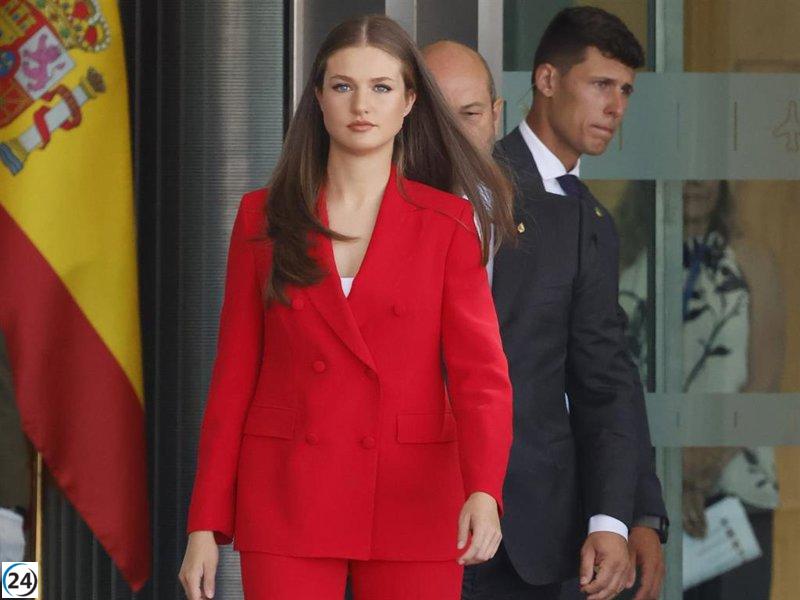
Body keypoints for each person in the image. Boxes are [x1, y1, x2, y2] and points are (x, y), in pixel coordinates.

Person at [179, 14, 516, 600]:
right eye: (343, 86)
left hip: (415, 494)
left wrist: (485, 490)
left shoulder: (447, 223)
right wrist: (204, 522)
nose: (362, 104)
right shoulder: (263, 218)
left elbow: (480, 379)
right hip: (288, 494)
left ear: (409, 101)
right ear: (318, 97)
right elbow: (233, 377)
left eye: (381, 87)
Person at [423, 7, 668, 600]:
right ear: (547, 80)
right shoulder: (461, 179)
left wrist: (634, 512)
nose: (615, 107)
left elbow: (604, 376)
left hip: (526, 527)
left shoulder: (584, 216)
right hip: (417, 505)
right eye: (601, 85)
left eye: (626, 91)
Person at [619, 180, 785, 599]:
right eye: (680, 172)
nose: (693, 183)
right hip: (639, 495)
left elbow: (765, 381)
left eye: (705, 172)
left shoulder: (751, 259)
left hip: (735, 492)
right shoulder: (624, 259)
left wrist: (699, 469)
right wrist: (668, 475)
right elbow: (606, 385)